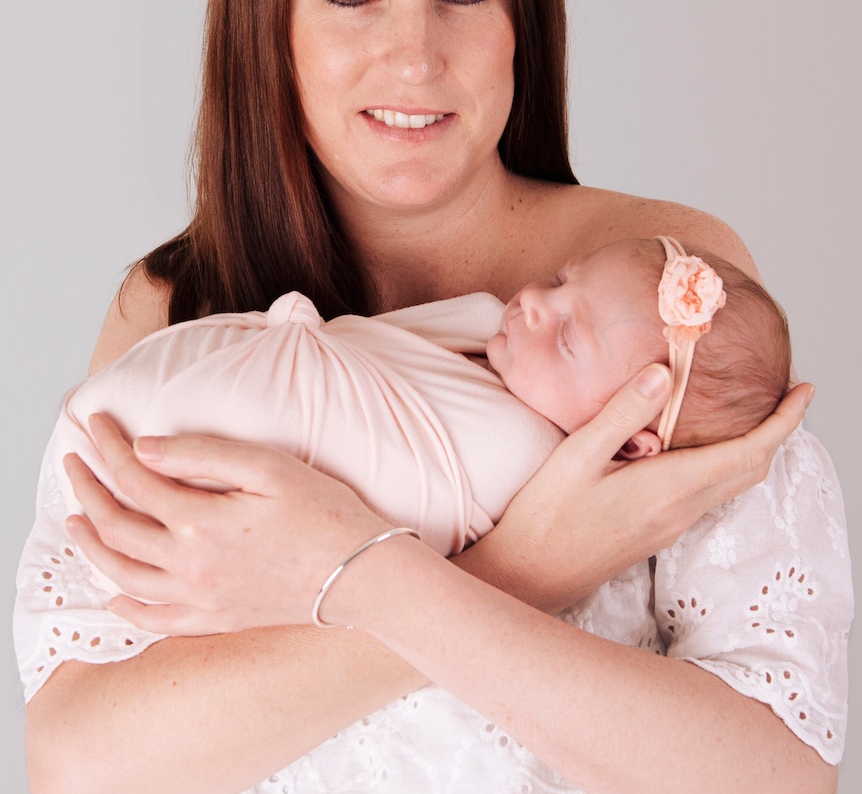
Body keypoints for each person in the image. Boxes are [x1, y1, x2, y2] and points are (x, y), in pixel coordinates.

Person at [20, 0, 848, 794]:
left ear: (524, 18)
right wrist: (516, 572)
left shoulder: (663, 294)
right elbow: (83, 780)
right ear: (269, 22)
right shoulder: (175, 312)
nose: (414, 56)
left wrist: (361, 577)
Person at [21, 235, 788, 608]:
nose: (533, 303)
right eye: (560, 279)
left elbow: (393, 511)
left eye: (567, 335)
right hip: (142, 419)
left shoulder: (519, 462)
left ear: (629, 437)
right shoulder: (488, 332)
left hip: (166, 451)